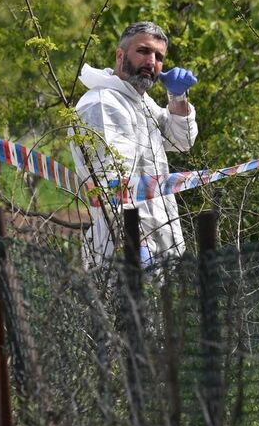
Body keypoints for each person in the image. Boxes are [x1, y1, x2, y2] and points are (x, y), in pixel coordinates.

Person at [73, 21, 200, 268]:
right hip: (127, 248)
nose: (152, 61)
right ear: (120, 56)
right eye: (143, 51)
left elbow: (181, 140)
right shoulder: (103, 104)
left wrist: (177, 96)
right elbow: (112, 182)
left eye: (159, 56)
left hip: (160, 241)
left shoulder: (139, 102)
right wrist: (133, 243)